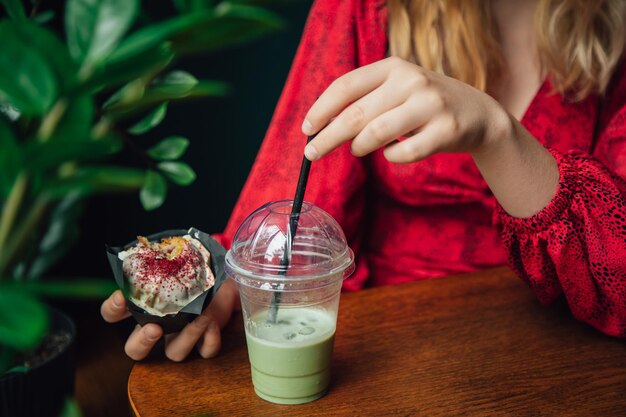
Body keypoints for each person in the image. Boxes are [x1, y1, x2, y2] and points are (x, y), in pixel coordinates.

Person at [101, 0, 626, 361]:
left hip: (572, 358)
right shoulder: (365, 9)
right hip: (391, 347)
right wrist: (224, 288)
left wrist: (497, 134)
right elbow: (291, 208)